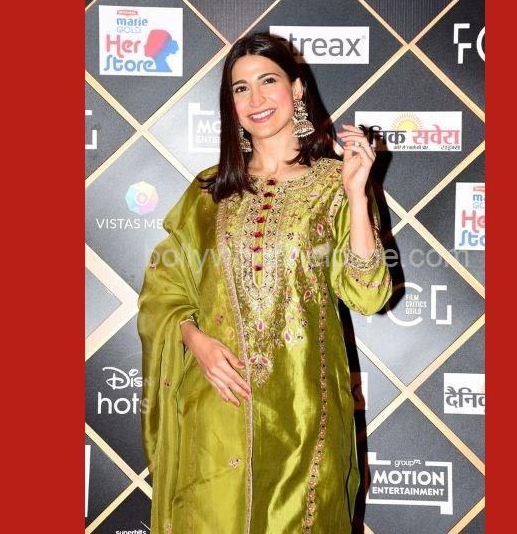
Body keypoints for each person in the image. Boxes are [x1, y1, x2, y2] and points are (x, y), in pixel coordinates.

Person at [137, 32, 392, 534]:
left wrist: (357, 196)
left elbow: (367, 294)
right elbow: (164, 290)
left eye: (268, 81)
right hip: (218, 406)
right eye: (240, 88)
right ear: (230, 105)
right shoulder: (209, 192)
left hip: (305, 415)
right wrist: (194, 339)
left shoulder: (336, 184)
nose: (255, 99)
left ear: (296, 89)